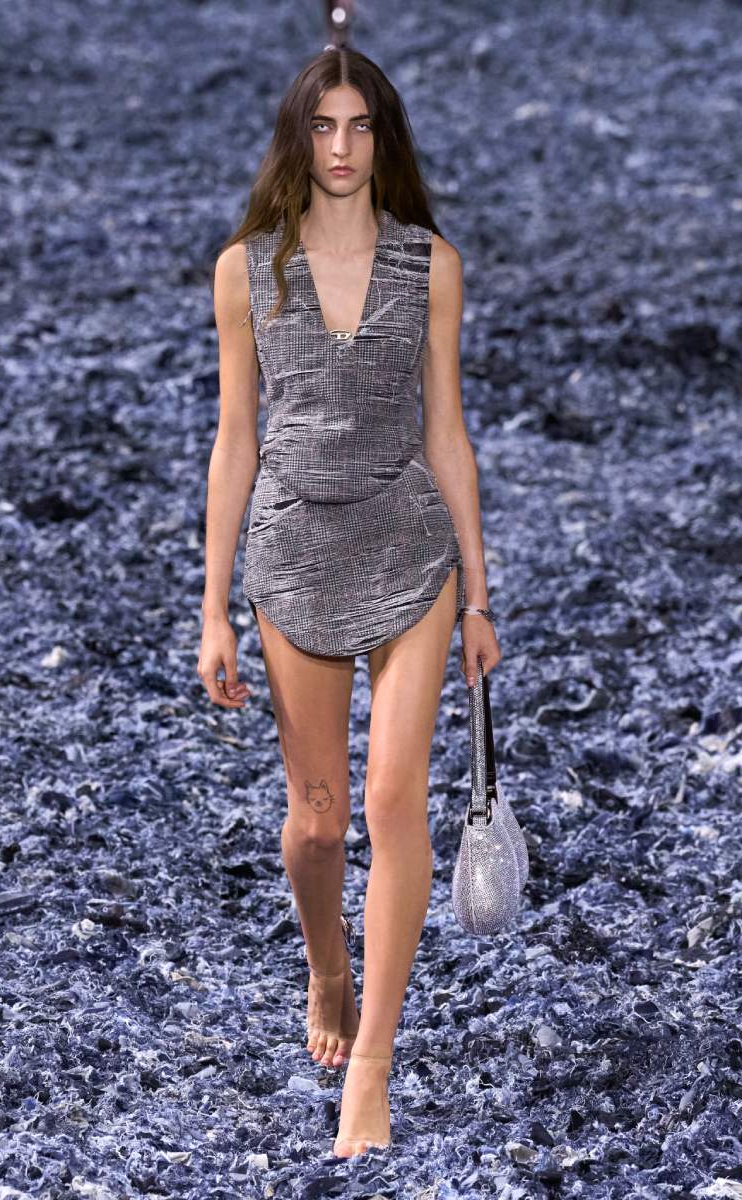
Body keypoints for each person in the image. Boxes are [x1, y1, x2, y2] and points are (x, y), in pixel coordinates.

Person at [199, 45, 501, 1159]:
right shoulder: (247, 271)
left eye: (359, 125)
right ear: (299, 137)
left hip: (410, 547)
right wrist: (212, 607)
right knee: (318, 824)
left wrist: (477, 597)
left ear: (383, 138)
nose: (340, 146)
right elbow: (235, 440)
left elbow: (447, 432)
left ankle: (370, 1064)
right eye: (322, 126)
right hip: (291, 554)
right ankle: (327, 965)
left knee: (389, 802)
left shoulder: (430, 266)